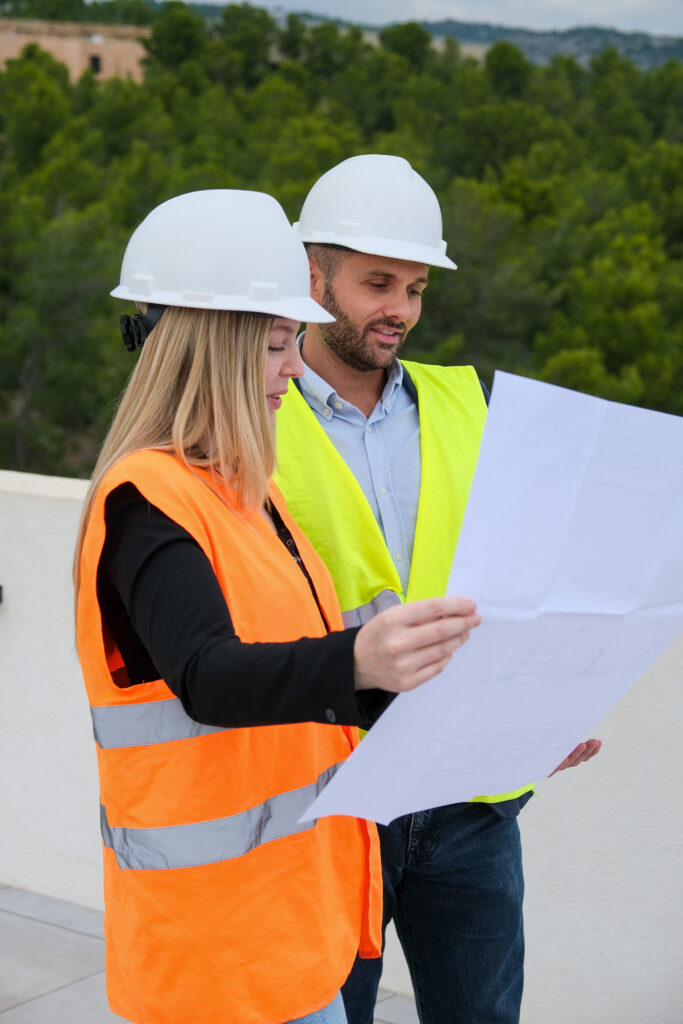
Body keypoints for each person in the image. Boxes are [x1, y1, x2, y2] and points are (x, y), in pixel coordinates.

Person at [73, 188, 483, 1024]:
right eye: (272, 346)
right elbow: (209, 676)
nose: (293, 369)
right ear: (209, 354)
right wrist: (358, 657)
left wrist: (503, 729)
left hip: (291, 925)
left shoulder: (249, 498)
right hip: (211, 952)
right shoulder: (146, 502)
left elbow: (305, 689)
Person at [273, 155, 602, 1024]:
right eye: (377, 284)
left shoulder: (463, 407)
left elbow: (511, 582)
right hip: (325, 797)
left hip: (465, 801)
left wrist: (539, 713)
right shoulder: (251, 412)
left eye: (415, 289)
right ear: (312, 276)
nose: (400, 310)